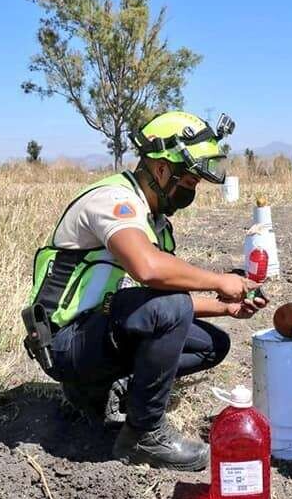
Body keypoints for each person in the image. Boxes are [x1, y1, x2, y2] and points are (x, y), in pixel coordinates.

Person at [23, 111, 266, 472]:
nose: (192, 191)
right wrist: (219, 281)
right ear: (163, 170)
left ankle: (106, 389)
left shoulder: (155, 223)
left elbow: (171, 299)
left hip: (95, 331)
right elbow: (149, 271)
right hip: (63, 341)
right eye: (189, 181)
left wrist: (227, 308)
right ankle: (143, 434)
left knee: (212, 344)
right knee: (170, 308)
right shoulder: (113, 200)